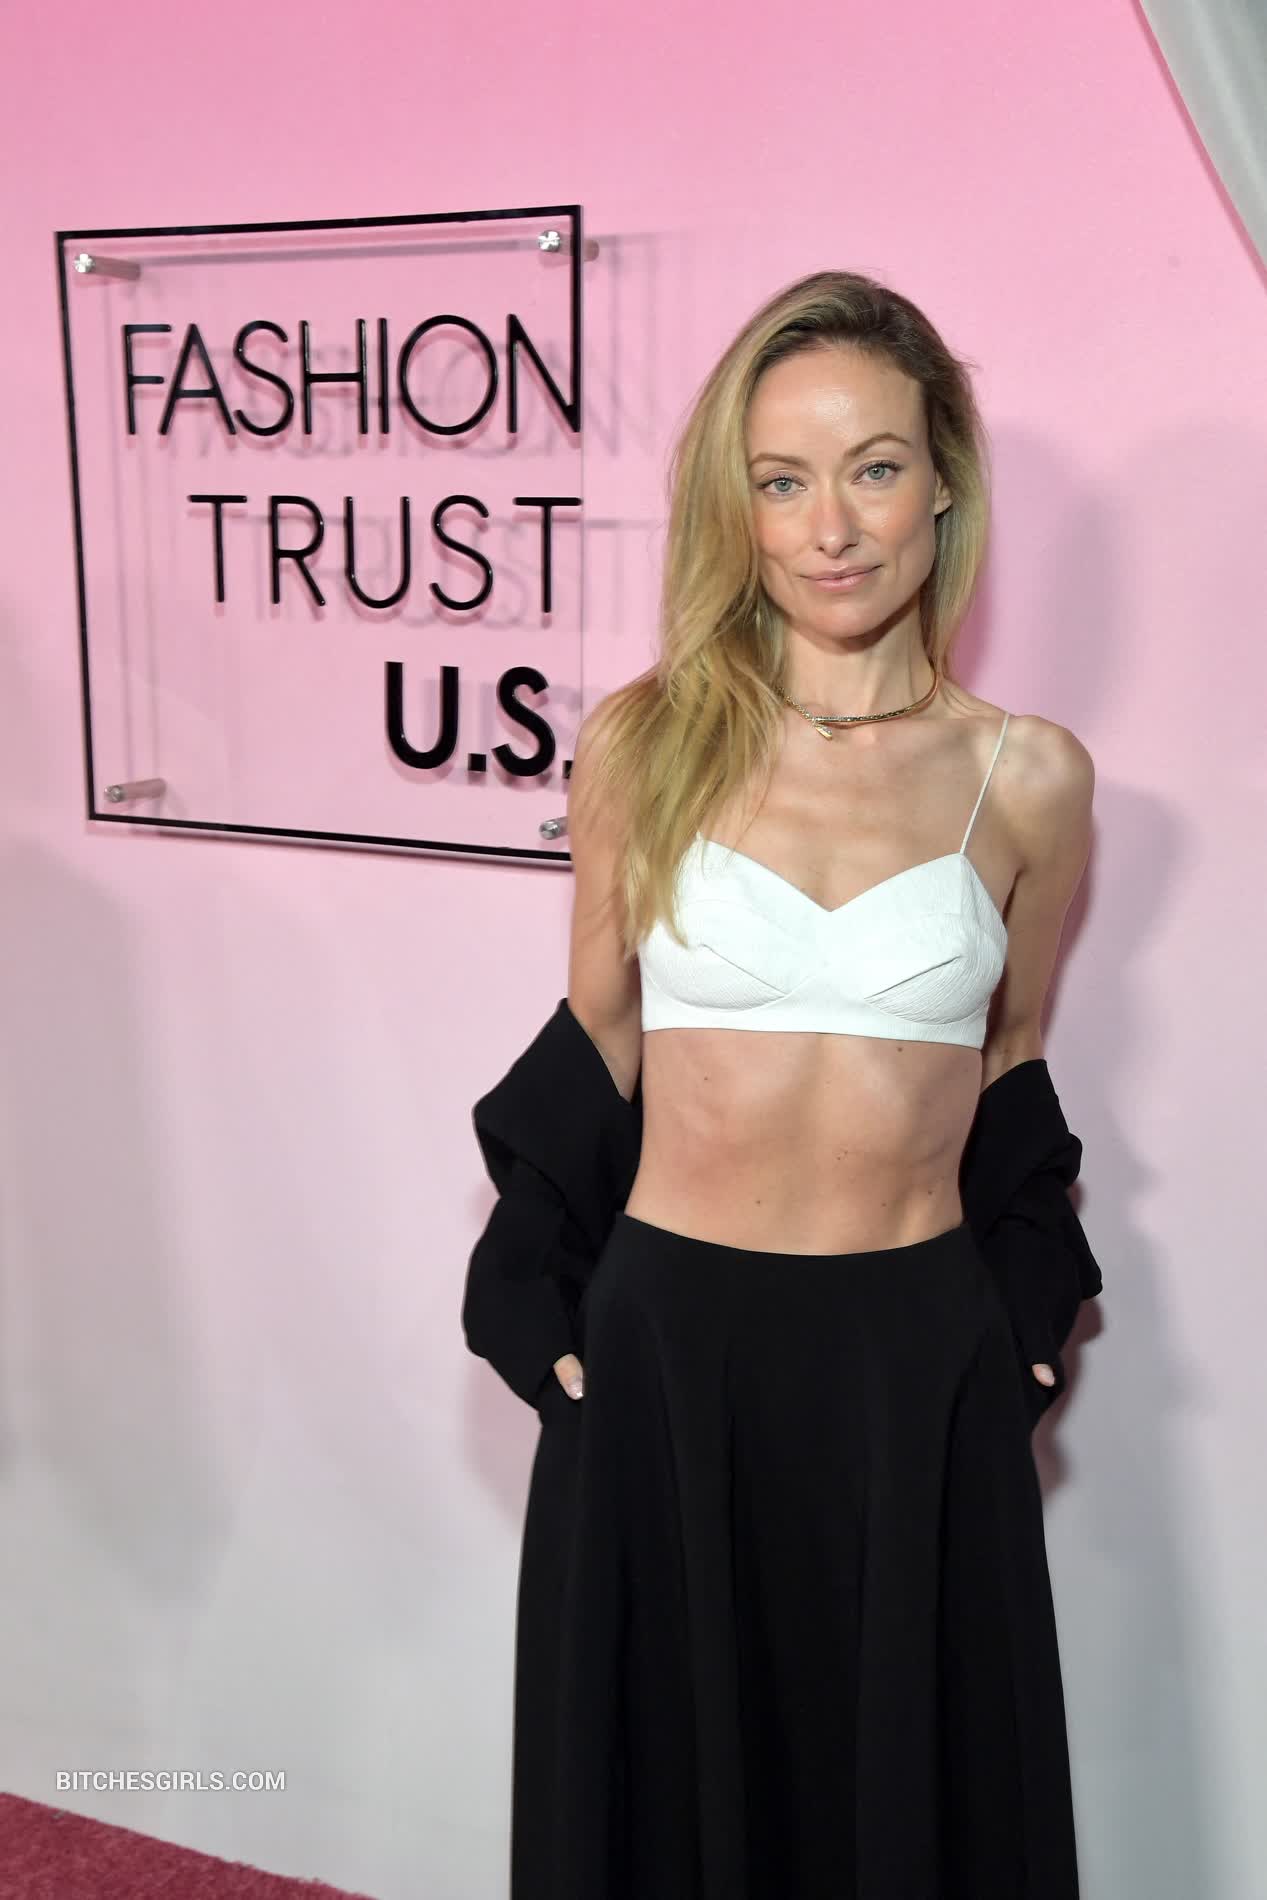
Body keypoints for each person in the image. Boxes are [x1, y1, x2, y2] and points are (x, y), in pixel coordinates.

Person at [470, 269, 1099, 1899]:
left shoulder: (1027, 776)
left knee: (905, 1811)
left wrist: (1028, 1305)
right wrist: (524, 1266)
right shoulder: (644, 746)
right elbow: (601, 1028)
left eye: (874, 469)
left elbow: (1014, 1052)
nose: (832, 528)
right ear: (733, 505)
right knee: (673, 1808)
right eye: (781, 480)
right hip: (672, 1348)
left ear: (943, 481)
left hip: (914, 1355)